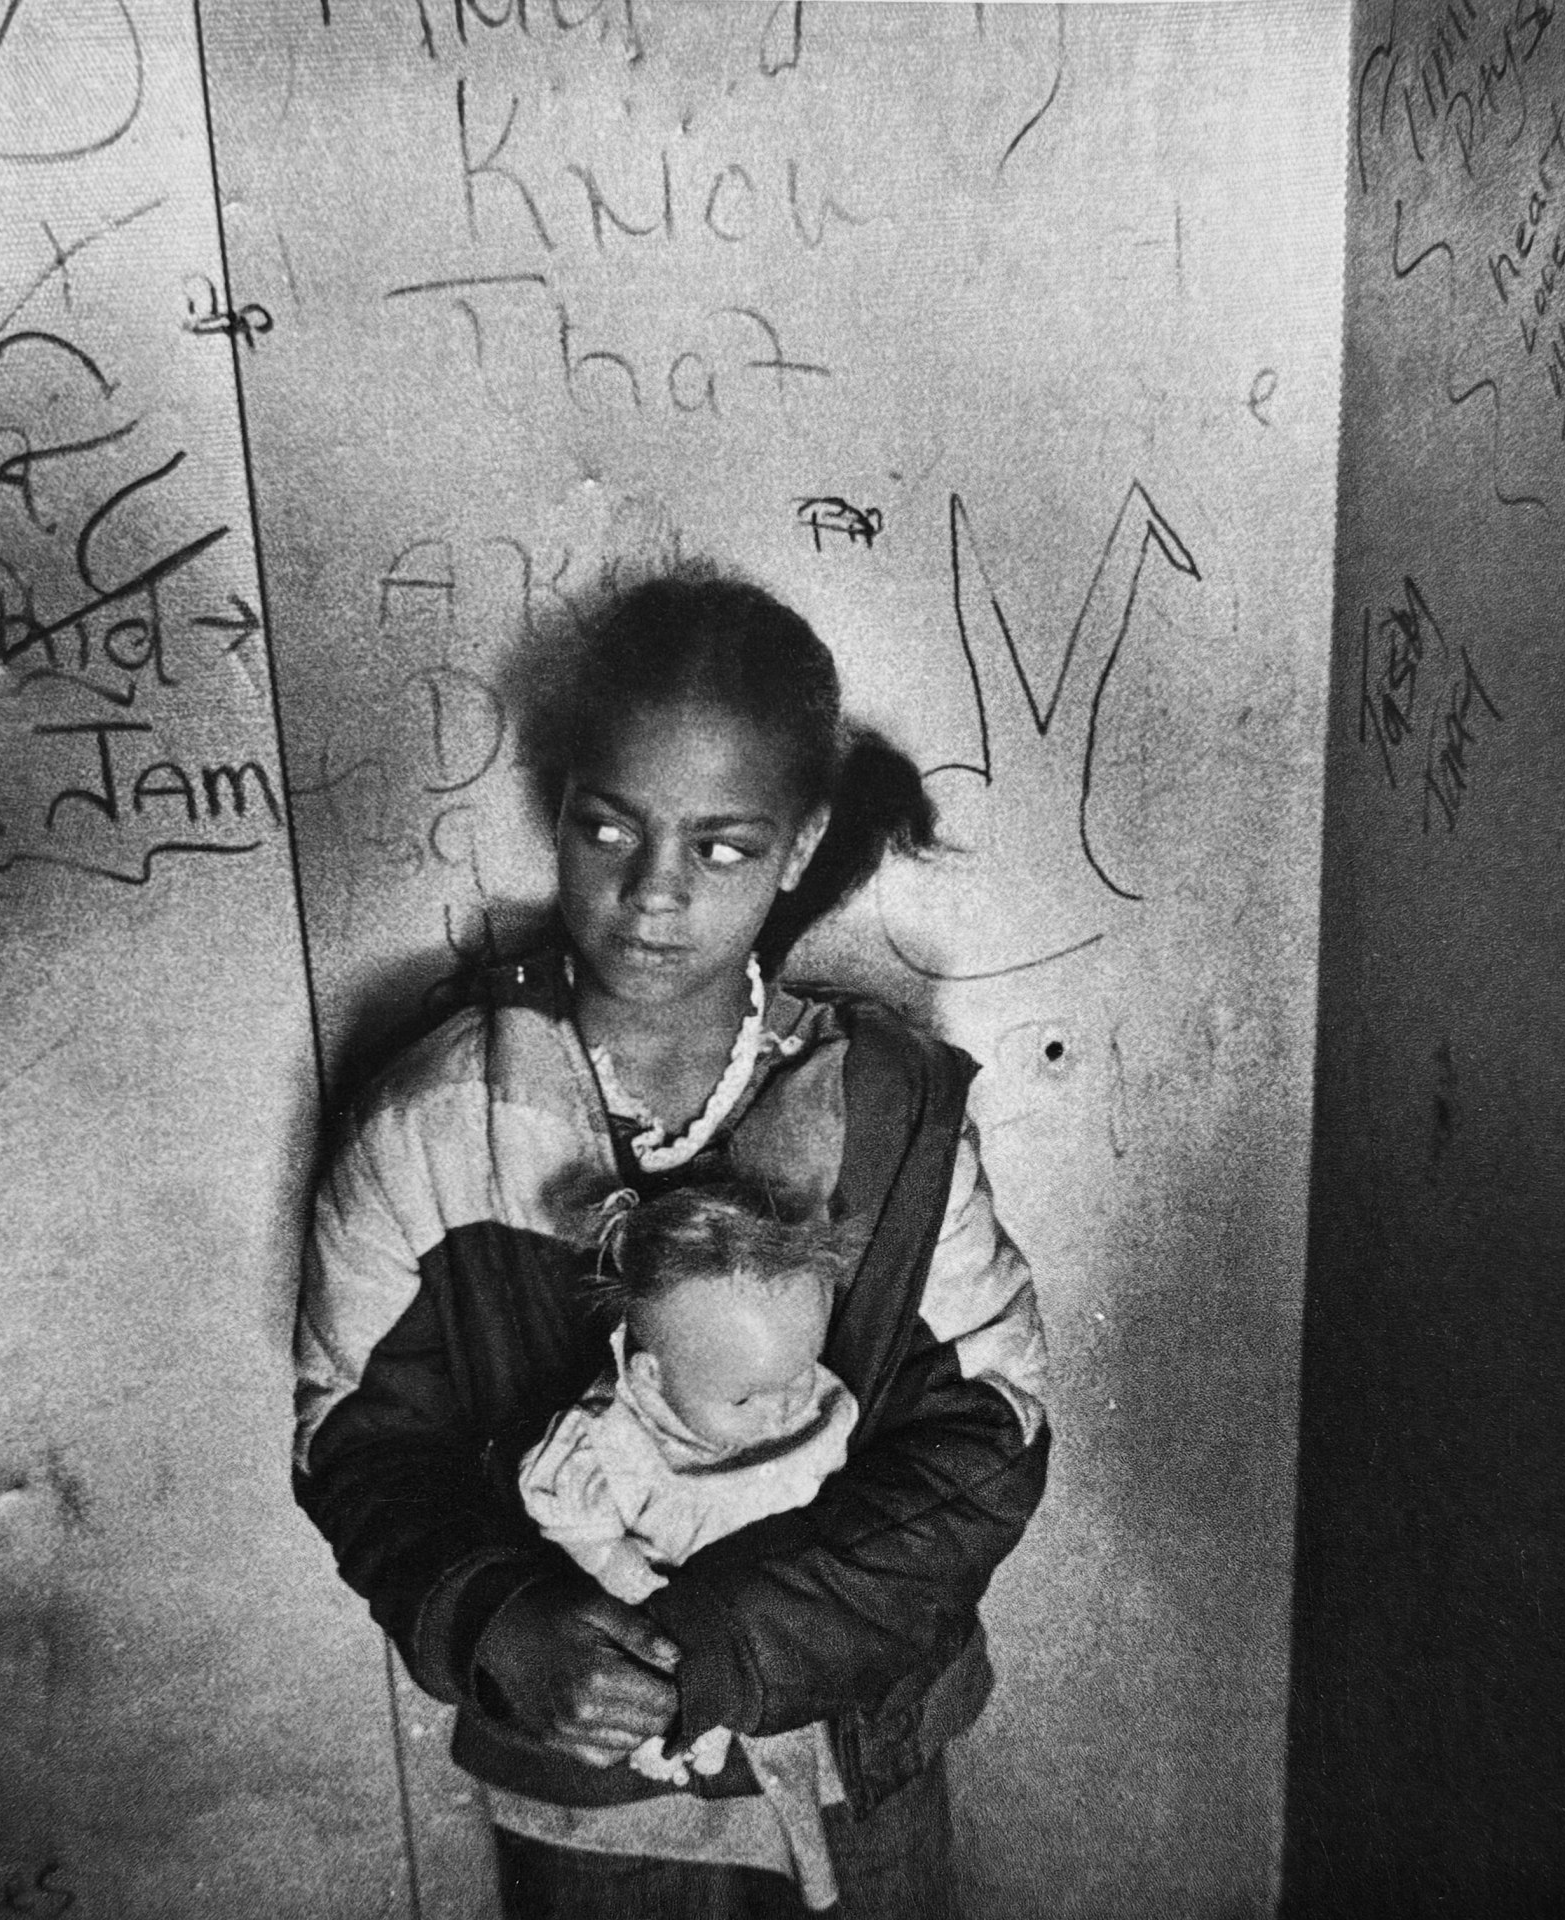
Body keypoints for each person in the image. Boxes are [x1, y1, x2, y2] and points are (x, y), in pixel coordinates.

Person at [292, 570, 1051, 1919]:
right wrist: (498, 1620)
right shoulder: (429, 1120)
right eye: (608, 831)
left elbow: (987, 1443)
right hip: (587, 1805)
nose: (652, 897)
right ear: (562, 808)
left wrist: (735, 1637)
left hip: (855, 1767)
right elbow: (356, 1445)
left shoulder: (888, 1112)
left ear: (800, 843)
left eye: (719, 848)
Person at [521, 1183, 864, 1907]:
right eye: (743, 1399)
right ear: (652, 1374)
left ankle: (821, 1883)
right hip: (672, 1617)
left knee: (801, 1776)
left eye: (799, 1372)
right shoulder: (607, 1442)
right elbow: (579, 1529)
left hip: (790, 1625)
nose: (782, 1409)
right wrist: (635, 1584)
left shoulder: (807, 1404)